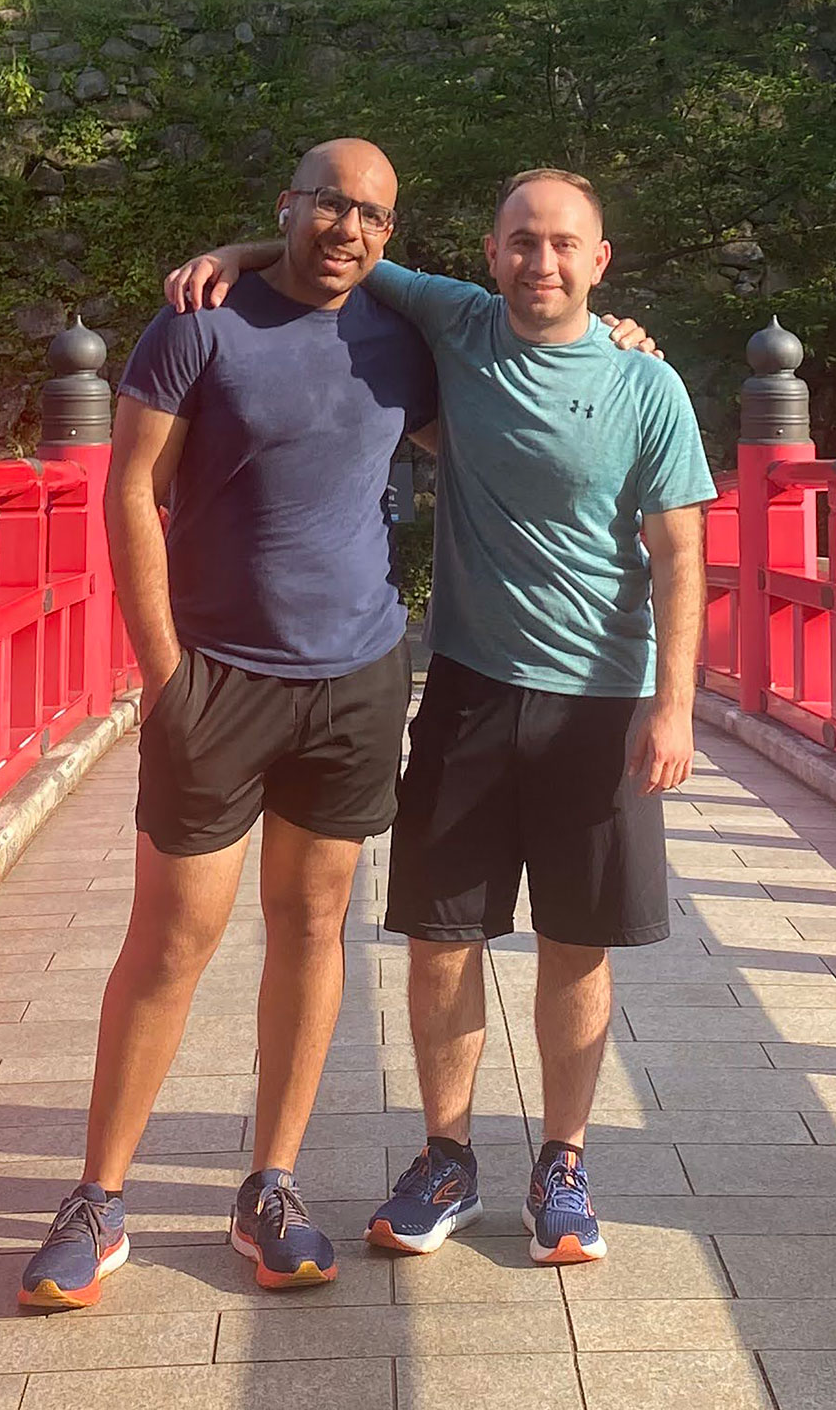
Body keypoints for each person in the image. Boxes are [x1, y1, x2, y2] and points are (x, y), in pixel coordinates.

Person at [167, 166, 713, 1267]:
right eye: (523, 240)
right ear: (489, 250)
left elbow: (679, 553)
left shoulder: (647, 385)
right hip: (468, 684)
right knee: (441, 935)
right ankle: (447, 1155)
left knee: (576, 941)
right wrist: (234, 254)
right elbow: (338, 247)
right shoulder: (458, 322)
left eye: (564, 243)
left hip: (601, 697)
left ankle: (563, 1163)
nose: (542, 261)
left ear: (600, 260)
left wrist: (674, 708)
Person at [16, 138, 434, 1308]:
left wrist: (618, 341)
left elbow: (520, 358)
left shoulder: (404, 334)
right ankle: (97, 1196)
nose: (348, 228)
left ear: (391, 233)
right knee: (173, 935)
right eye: (328, 205)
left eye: (373, 215)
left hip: (355, 675)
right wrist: (163, 675)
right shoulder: (200, 321)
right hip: (217, 676)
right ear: (287, 202)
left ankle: (272, 1182)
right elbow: (129, 486)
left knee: (311, 922)